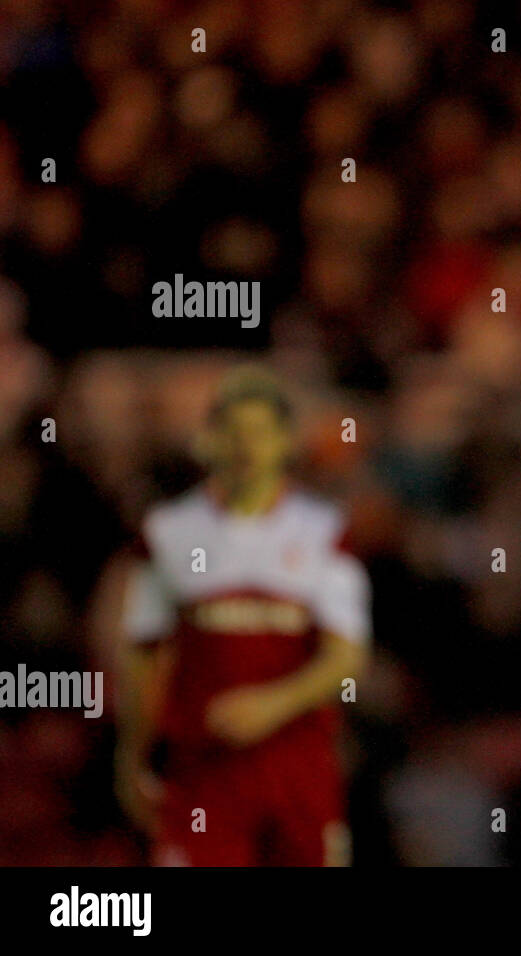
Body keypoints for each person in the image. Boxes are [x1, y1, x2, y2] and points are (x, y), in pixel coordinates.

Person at [115, 366, 371, 865]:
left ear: (284, 441)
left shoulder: (324, 532)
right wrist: (132, 754)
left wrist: (270, 706)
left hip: (298, 770)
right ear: (209, 440)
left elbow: (346, 658)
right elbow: (143, 654)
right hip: (202, 772)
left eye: (258, 432)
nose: (245, 447)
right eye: (232, 431)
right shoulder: (167, 532)